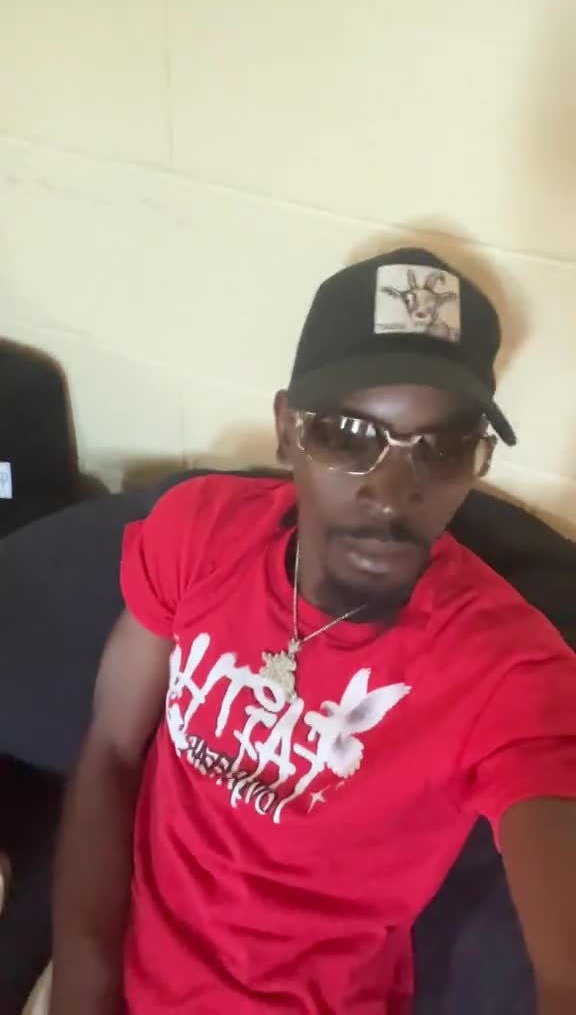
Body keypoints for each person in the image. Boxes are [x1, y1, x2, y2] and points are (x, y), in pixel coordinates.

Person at [50, 248, 576, 1015]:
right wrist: (83, 989)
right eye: (350, 435)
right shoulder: (200, 535)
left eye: (442, 448)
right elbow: (111, 747)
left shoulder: (504, 668)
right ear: (286, 430)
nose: (391, 493)